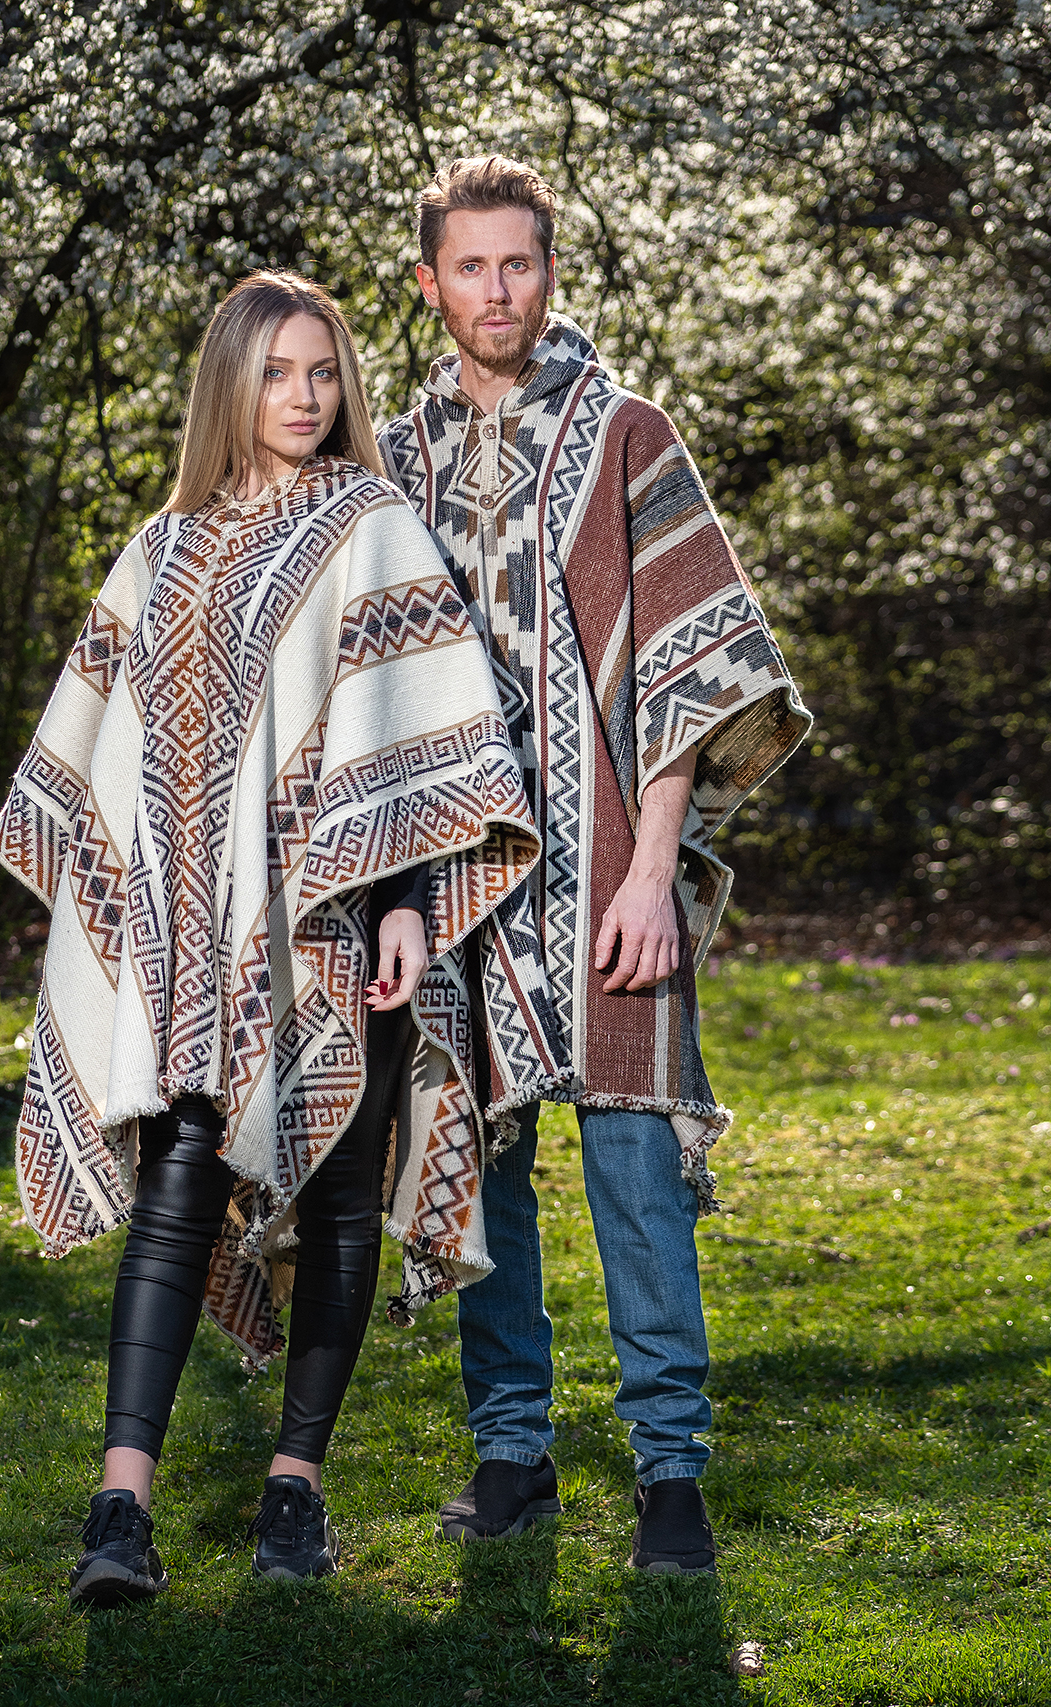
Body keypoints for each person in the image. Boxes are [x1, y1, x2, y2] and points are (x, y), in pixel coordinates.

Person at [0, 271, 547, 1603]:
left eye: (323, 372)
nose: (304, 397)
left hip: (343, 925)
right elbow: (101, 749)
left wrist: (407, 902)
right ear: (229, 384)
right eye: (278, 372)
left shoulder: (371, 527)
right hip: (191, 940)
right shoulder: (164, 547)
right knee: (179, 1187)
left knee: (341, 1198)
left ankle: (294, 1488)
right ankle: (120, 1509)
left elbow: (423, 730)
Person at [378, 158, 812, 1573]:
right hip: (459, 875)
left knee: (635, 1174)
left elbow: (690, 665)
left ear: (550, 271)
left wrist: (652, 872)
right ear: (431, 283)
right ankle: (511, 1455)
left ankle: (670, 1476)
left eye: (519, 263)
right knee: (482, 1166)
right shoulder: (397, 461)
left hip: (615, 868)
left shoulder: (628, 433)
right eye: (470, 267)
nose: (496, 290)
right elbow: (371, 684)